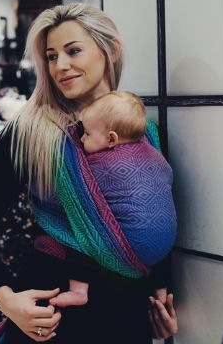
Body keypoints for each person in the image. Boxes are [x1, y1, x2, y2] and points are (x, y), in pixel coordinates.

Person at [0, 3, 178, 343]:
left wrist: (160, 296)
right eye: (51, 56)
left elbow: (156, 216)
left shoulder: (144, 131)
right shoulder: (28, 132)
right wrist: (7, 301)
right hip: (50, 318)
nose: (60, 65)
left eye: (73, 50)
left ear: (110, 49)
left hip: (125, 315)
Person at [51, 90, 177, 308]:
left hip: (132, 243)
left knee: (82, 230)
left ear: (112, 139)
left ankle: (78, 290)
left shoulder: (97, 165)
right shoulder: (154, 153)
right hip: (165, 242)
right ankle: (161, 292)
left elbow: (74, 195)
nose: (81, 139)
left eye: (87, 134)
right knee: (154, 235)